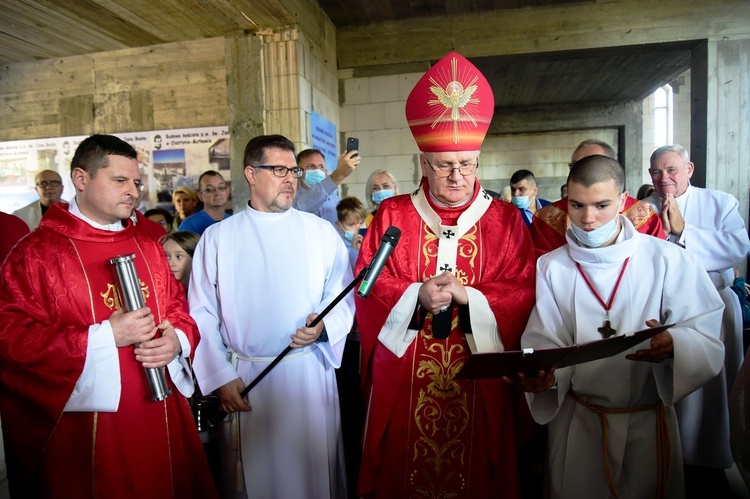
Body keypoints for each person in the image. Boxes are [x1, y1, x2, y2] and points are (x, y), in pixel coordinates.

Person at [355, 52, 536, 498]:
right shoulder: (392, 214)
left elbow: (523, 288)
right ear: (422, 163)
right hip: (408, 369)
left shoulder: (506, 221)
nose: (457, 176)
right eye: (444, 165)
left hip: (478, 371)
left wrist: (469, 298)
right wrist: (415, 294)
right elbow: (366, 281)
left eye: (467, 164)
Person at [0, 134, 216, 497]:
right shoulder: (37, 253)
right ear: (81, 179)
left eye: (136, 182)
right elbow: (10, 336)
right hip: (86, 427)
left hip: (161, 414)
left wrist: (176, 340)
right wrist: (102, 338)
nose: (132, 190)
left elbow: (179, 307)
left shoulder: (148, 244)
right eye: (120, 180)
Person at [514, 154, 725, 499]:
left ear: (624, 200)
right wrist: (546, 375)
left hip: (648, 419)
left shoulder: (668, 258)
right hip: (580, 422)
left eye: (601, 205)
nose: (588, 219)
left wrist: (677, 343)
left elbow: (705, 330)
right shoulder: (552, 266)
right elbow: (545, 339)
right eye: (577, 205)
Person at [190, 134, 354, 498]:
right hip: (246, 380)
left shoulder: (320, 232)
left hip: (309, 375)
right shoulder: (218, 239)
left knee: (313, 477)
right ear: (251, 173)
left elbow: (343, 296)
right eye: (278, 169)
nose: (291, 179)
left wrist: (324, 327)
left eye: (293, 170)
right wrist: (219, 378)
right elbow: (200, 314)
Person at [643, 144, 750, 497]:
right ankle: (675, 456)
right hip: (665, 313)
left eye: (671, 170)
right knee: (674, 392)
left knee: (713, 391)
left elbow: (737, 248)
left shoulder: (720, 202)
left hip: (713, 309)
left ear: (689, 168)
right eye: (656, 172)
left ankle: (712, 459)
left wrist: (685, 232)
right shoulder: (644, 210)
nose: (664, 179)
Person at [529, 139, 665, 257]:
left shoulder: (643, 214)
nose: (588, 218)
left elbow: (655, 257)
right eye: (575, 165)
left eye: (602, 206)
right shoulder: (547, 218)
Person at [295, 148, 360, 225]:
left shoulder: (337, 203)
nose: (317, 171)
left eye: (321, 167)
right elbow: (304, 205)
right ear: (298, 172)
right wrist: (339, 174)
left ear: (326, 172)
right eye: (311, 166)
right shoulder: (292, 201)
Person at [179, 170, 230, 235]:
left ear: (228, 191)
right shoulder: (189, 225)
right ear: (200, 196)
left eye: (221, 187)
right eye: (209, 189)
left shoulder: (233, 221)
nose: (217, 193)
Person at [335, 196, 367, 271]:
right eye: (352, 225)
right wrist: (354, 250)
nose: (358, 228)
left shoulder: (370, 242)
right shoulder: (338, 248)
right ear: (339, 225)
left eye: (361, 223)